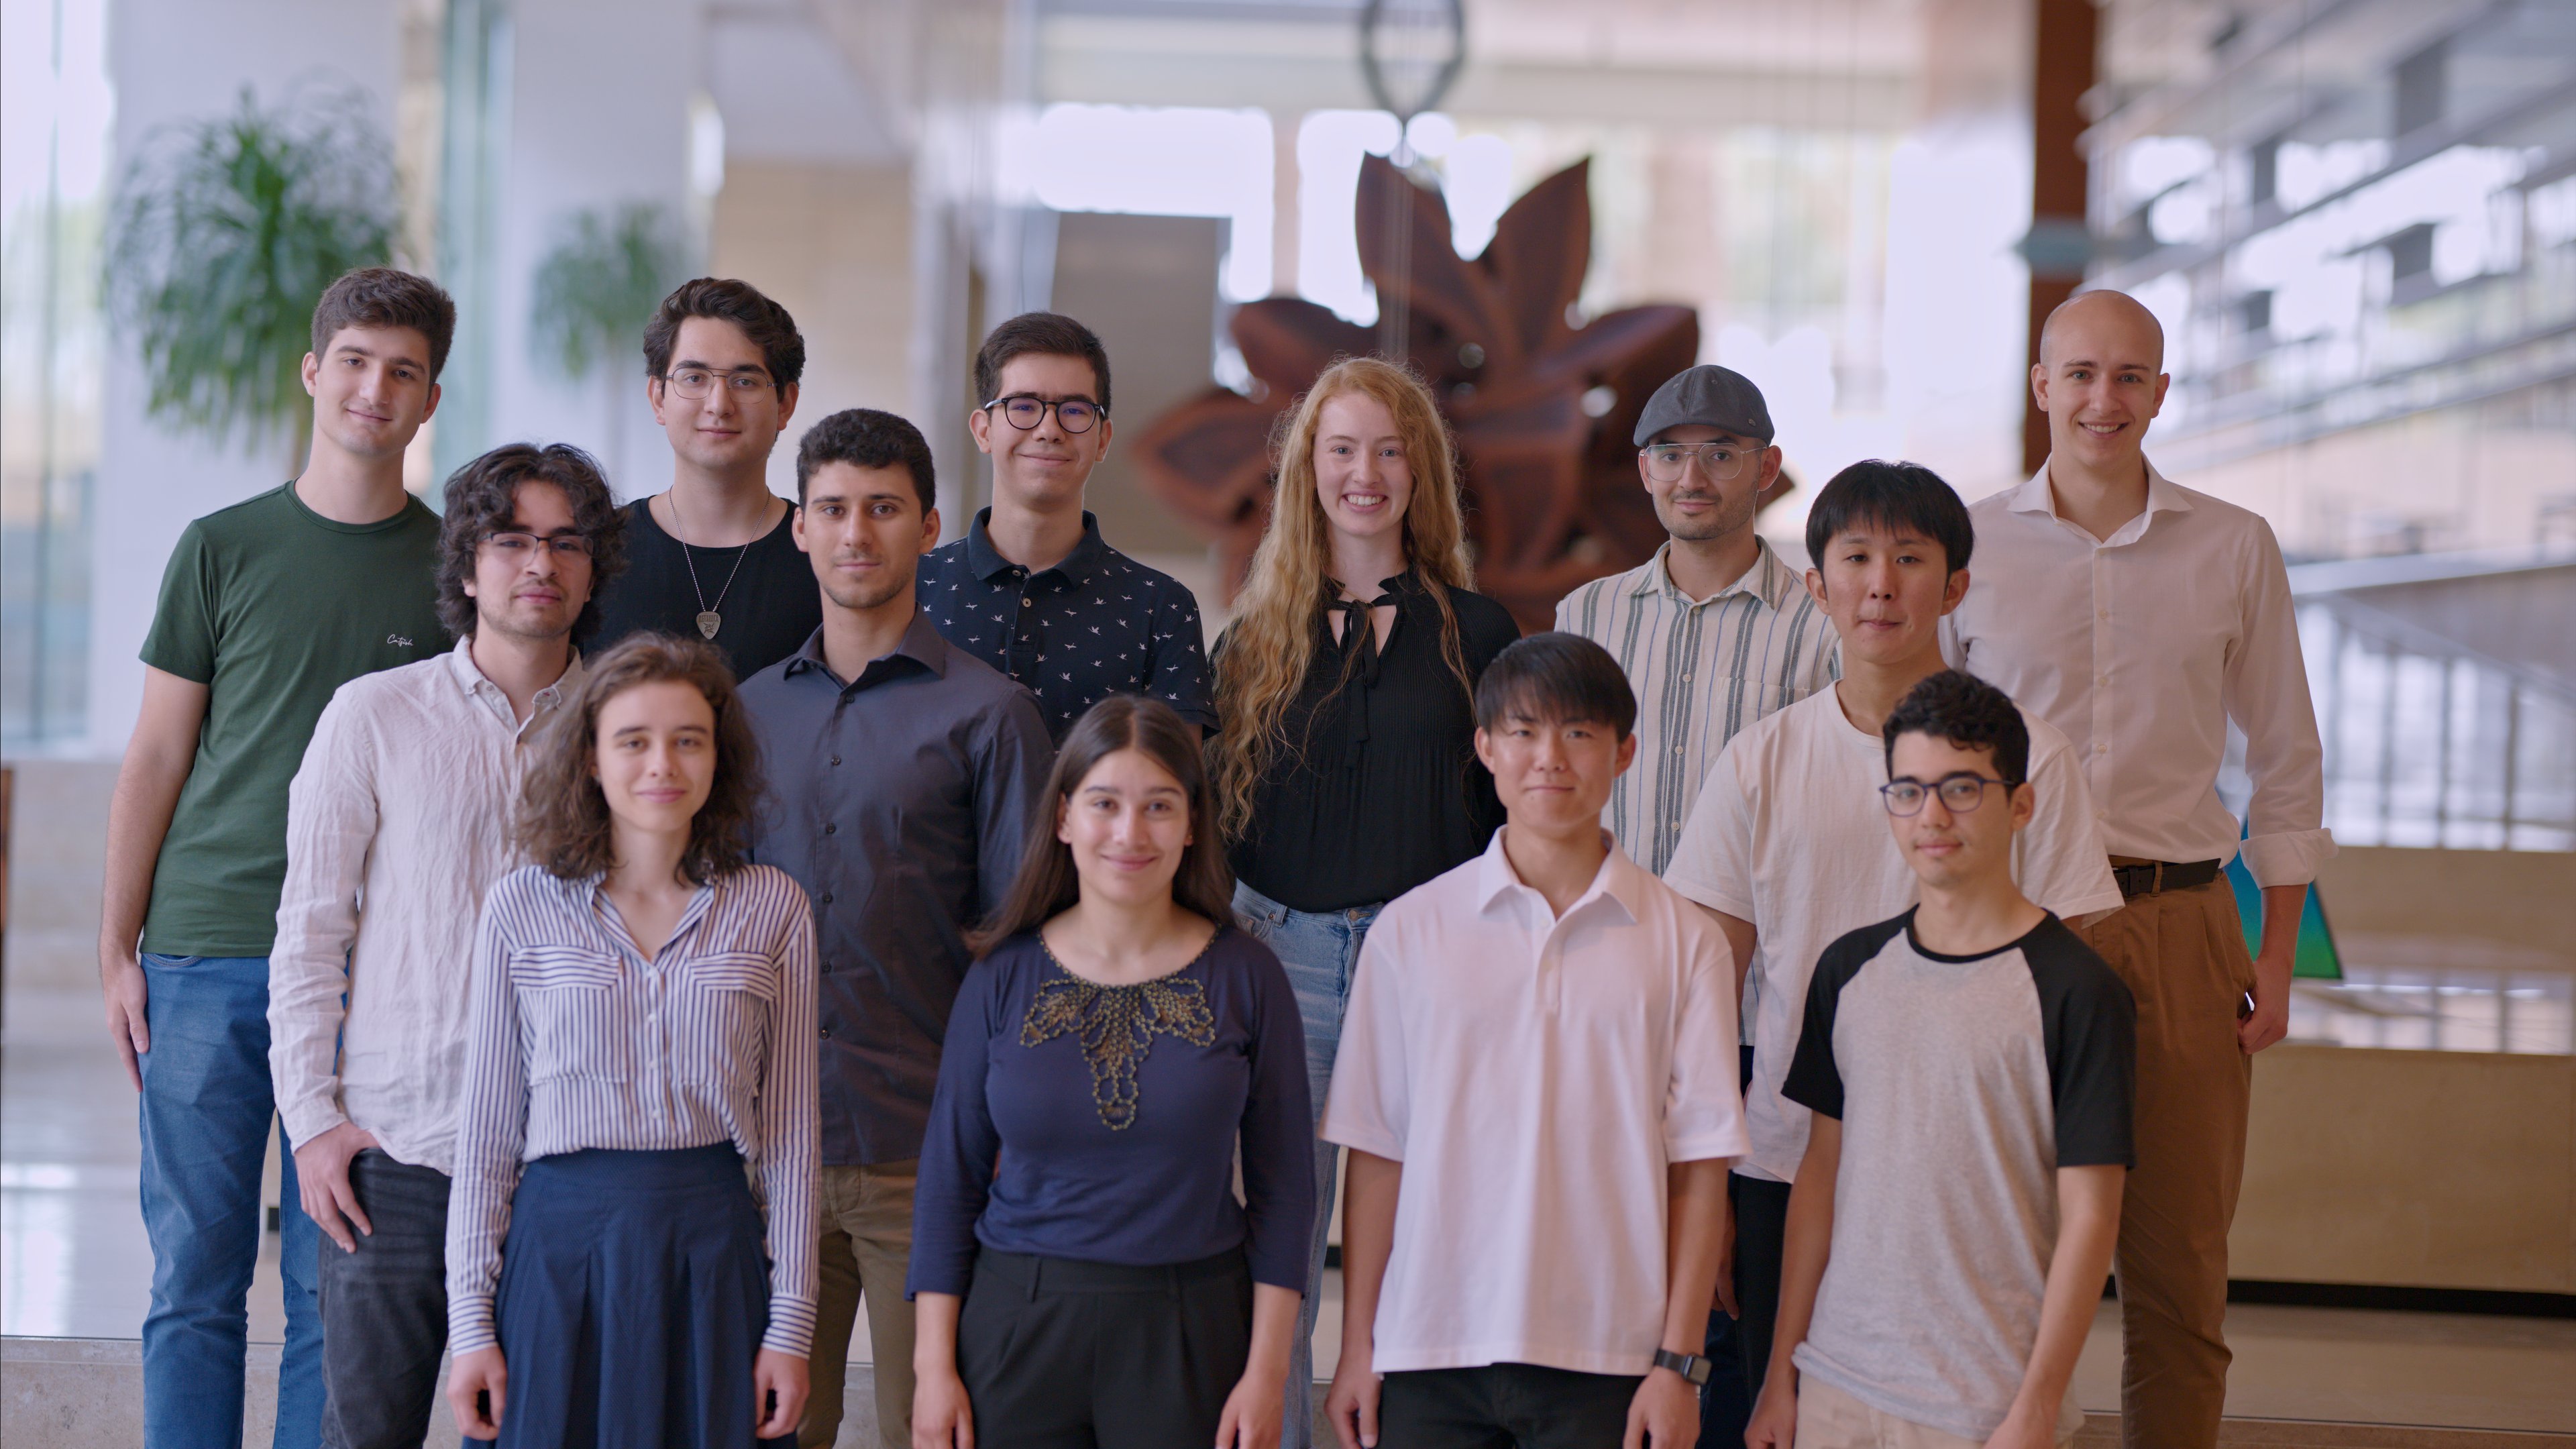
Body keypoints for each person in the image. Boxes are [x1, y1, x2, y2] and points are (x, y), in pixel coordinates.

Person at [1944, 289, 2332, 1449]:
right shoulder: (1970, 546)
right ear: (2040, 384)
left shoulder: (2234, 545)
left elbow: (2287, 754)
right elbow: (1919, 751)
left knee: (2177, 1275)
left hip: (2181, 923)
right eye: (2079, 375)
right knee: (2000, 1263)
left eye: (2128, 378)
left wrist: (2277, 951)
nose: (2101, 400)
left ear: (2161, 392)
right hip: (2014, 925)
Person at [1662, 460, 2125, 1425]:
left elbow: (2071, 984)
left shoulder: (2028, 757)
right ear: (1815, 582)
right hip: (1788, 1163)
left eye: (1910, 559)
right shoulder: (1763, 759)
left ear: (1955, 586)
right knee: (1776, 1410)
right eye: (1858, 557)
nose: (1882, 584)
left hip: (1975, 1169)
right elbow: (1702, 990)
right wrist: (1694, 1200)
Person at [97, 266, 455, 1449]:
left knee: (331, 1288)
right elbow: (156, 758)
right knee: (194, 1276)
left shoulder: (458, 567)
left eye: (402, 371)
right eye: (354, 361)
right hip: (205, 952)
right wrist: (117, 951)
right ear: (314, 372)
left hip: (372, 978)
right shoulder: (221, 547)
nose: (374, 388)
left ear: (429, 397)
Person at [269, 443, 625, 1449]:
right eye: (510, 540)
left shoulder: (629, 729)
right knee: (365, 1434)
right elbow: (309, 931)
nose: (539, 564)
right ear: (467, 566)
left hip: (564, 1155)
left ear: (594, 569)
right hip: (399, 1151)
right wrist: (311, 1123)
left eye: (566, 543)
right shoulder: (373, 716)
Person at [1319, 633, 1744, 1449]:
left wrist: (1677, 1363)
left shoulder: (1687, 941)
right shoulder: (1411, 930)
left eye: (1579, 733)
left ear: (1623, 752)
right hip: (1428, 1349)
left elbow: (1701, 1165)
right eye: (1523, 731)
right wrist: (1356, 1351)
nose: (1550, 757)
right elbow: (1377, 1151)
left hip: (1611, 1359)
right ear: (1485, 748)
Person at [1208, 356, 1522, 1444]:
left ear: (1421, 472)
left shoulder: (1479, 634)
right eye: (1341, 449)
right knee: (1279, 1244)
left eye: (1389, 450)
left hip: (1433, 966)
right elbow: (1215, 823)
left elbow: (1514, 817)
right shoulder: (1251, 640)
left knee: (1428, 1243)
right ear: (1308, 471)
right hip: (1282, 955)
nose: (1365, 473)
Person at [736, 408, 1053, 1449]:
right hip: (764, 1152)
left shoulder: (992, 714)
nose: (855, 533)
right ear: (800, 528)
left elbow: (1024, 945)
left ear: (928, 526)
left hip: (924, 1150)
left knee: (943, 1424)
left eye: (882, 509)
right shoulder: (742, 715)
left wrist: (1008, 1132)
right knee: (777, 1429)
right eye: (832, 509)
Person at [908, 696, 1314, 1449]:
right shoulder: (1003, 975)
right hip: (1017, 1322)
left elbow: (1286, 1190)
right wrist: (934, 1368)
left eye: (1160, 806)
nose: (1130, 833)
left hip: (1189, 1327)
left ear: (1193, 824)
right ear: (1064, 818)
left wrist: (1267, 1376)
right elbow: (947, 1181)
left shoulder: (1248, 976)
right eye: (1105, 804)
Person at [443, 635, 818, 1448]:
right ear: (590, 759)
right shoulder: (522, 909)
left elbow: (791, 1141)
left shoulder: (773, 909)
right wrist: (471, 1325)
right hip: (559, 1254)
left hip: (713, 1254)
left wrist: (790, 1327)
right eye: (634, 741)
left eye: (689, 740)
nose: (663, 765)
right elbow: (485, 1140)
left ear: (719, 757)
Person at [1747, 669, 2135, 1449]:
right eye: (1908, 791)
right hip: (1834, 1386)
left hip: (1984, 1405)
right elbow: (1819, 1177)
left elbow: (2093, 1216)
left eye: (1962, 788)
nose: (1932, 816)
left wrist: (2034, 1408)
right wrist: (1779, 1380)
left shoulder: (2075, 989)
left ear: (2021, 805)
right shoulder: (1848, 970)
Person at [1554, 364, 1839, 876]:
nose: (1691, 479)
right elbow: (1558, 782)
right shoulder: (1585, 615)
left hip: (1755, 948)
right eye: (1670, 456)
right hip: (1614, 933)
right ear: (1646, 471)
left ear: (1768, 469)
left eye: (1721, 456)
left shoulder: (1823, 625)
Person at [915, 311, 1216, 741]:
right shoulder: (915, 586)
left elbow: (1175, 790)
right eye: (1023, 406)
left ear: (1103, 439)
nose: (1049, 429)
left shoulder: (1160, 608)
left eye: (1074, 410)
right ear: (983, 431)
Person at [588, 278, 819, 680]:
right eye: (694, 378)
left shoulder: (825, 555)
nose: (719, 405)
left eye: (745, 381)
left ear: (785, 404)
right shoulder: (596, 552)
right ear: (659, 398)